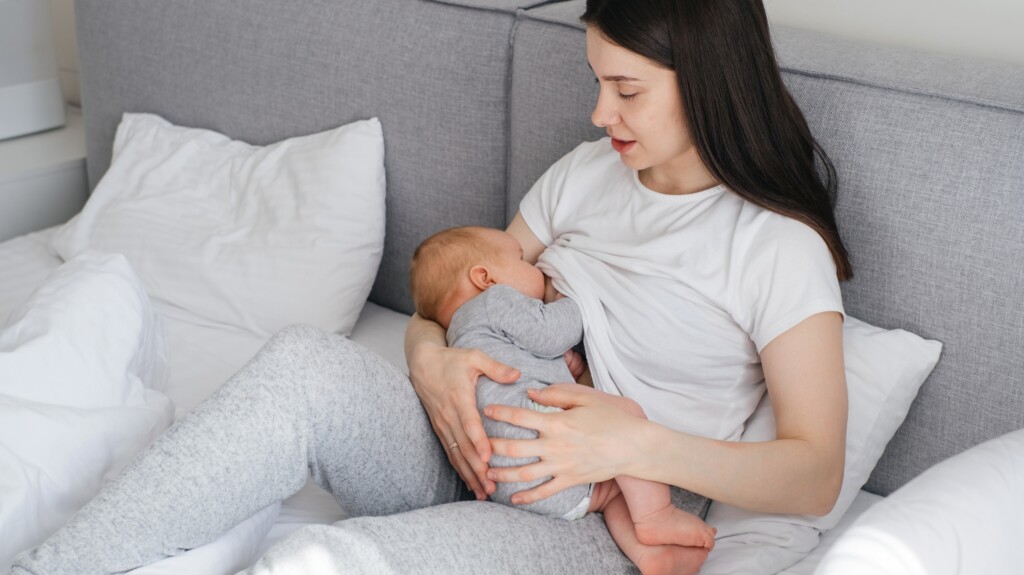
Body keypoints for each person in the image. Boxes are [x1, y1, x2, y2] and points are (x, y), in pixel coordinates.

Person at [12, 1, 850, 573]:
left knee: (334, 562)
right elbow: (457, 298)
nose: (600, 114)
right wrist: (434, 365)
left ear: (705, 81)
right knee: (303, 365)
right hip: (469, 434)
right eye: (598, 82)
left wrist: (631, 448)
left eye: (626, 89)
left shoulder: (774, 246)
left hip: (596, 513)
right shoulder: (586, 176)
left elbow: (813, 473)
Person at [409, 225, 716, 574]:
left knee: (610, 491)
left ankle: (649, 556)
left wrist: (562, 365)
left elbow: (522, 364)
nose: (536, 267)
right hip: (538, 441)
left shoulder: (458, 337)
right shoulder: (494, 301)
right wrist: (576, 297)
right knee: (626, 416)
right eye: (521, 259)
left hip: (508, 483)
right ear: (485, 278)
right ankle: (656, 515)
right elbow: (552, 333)